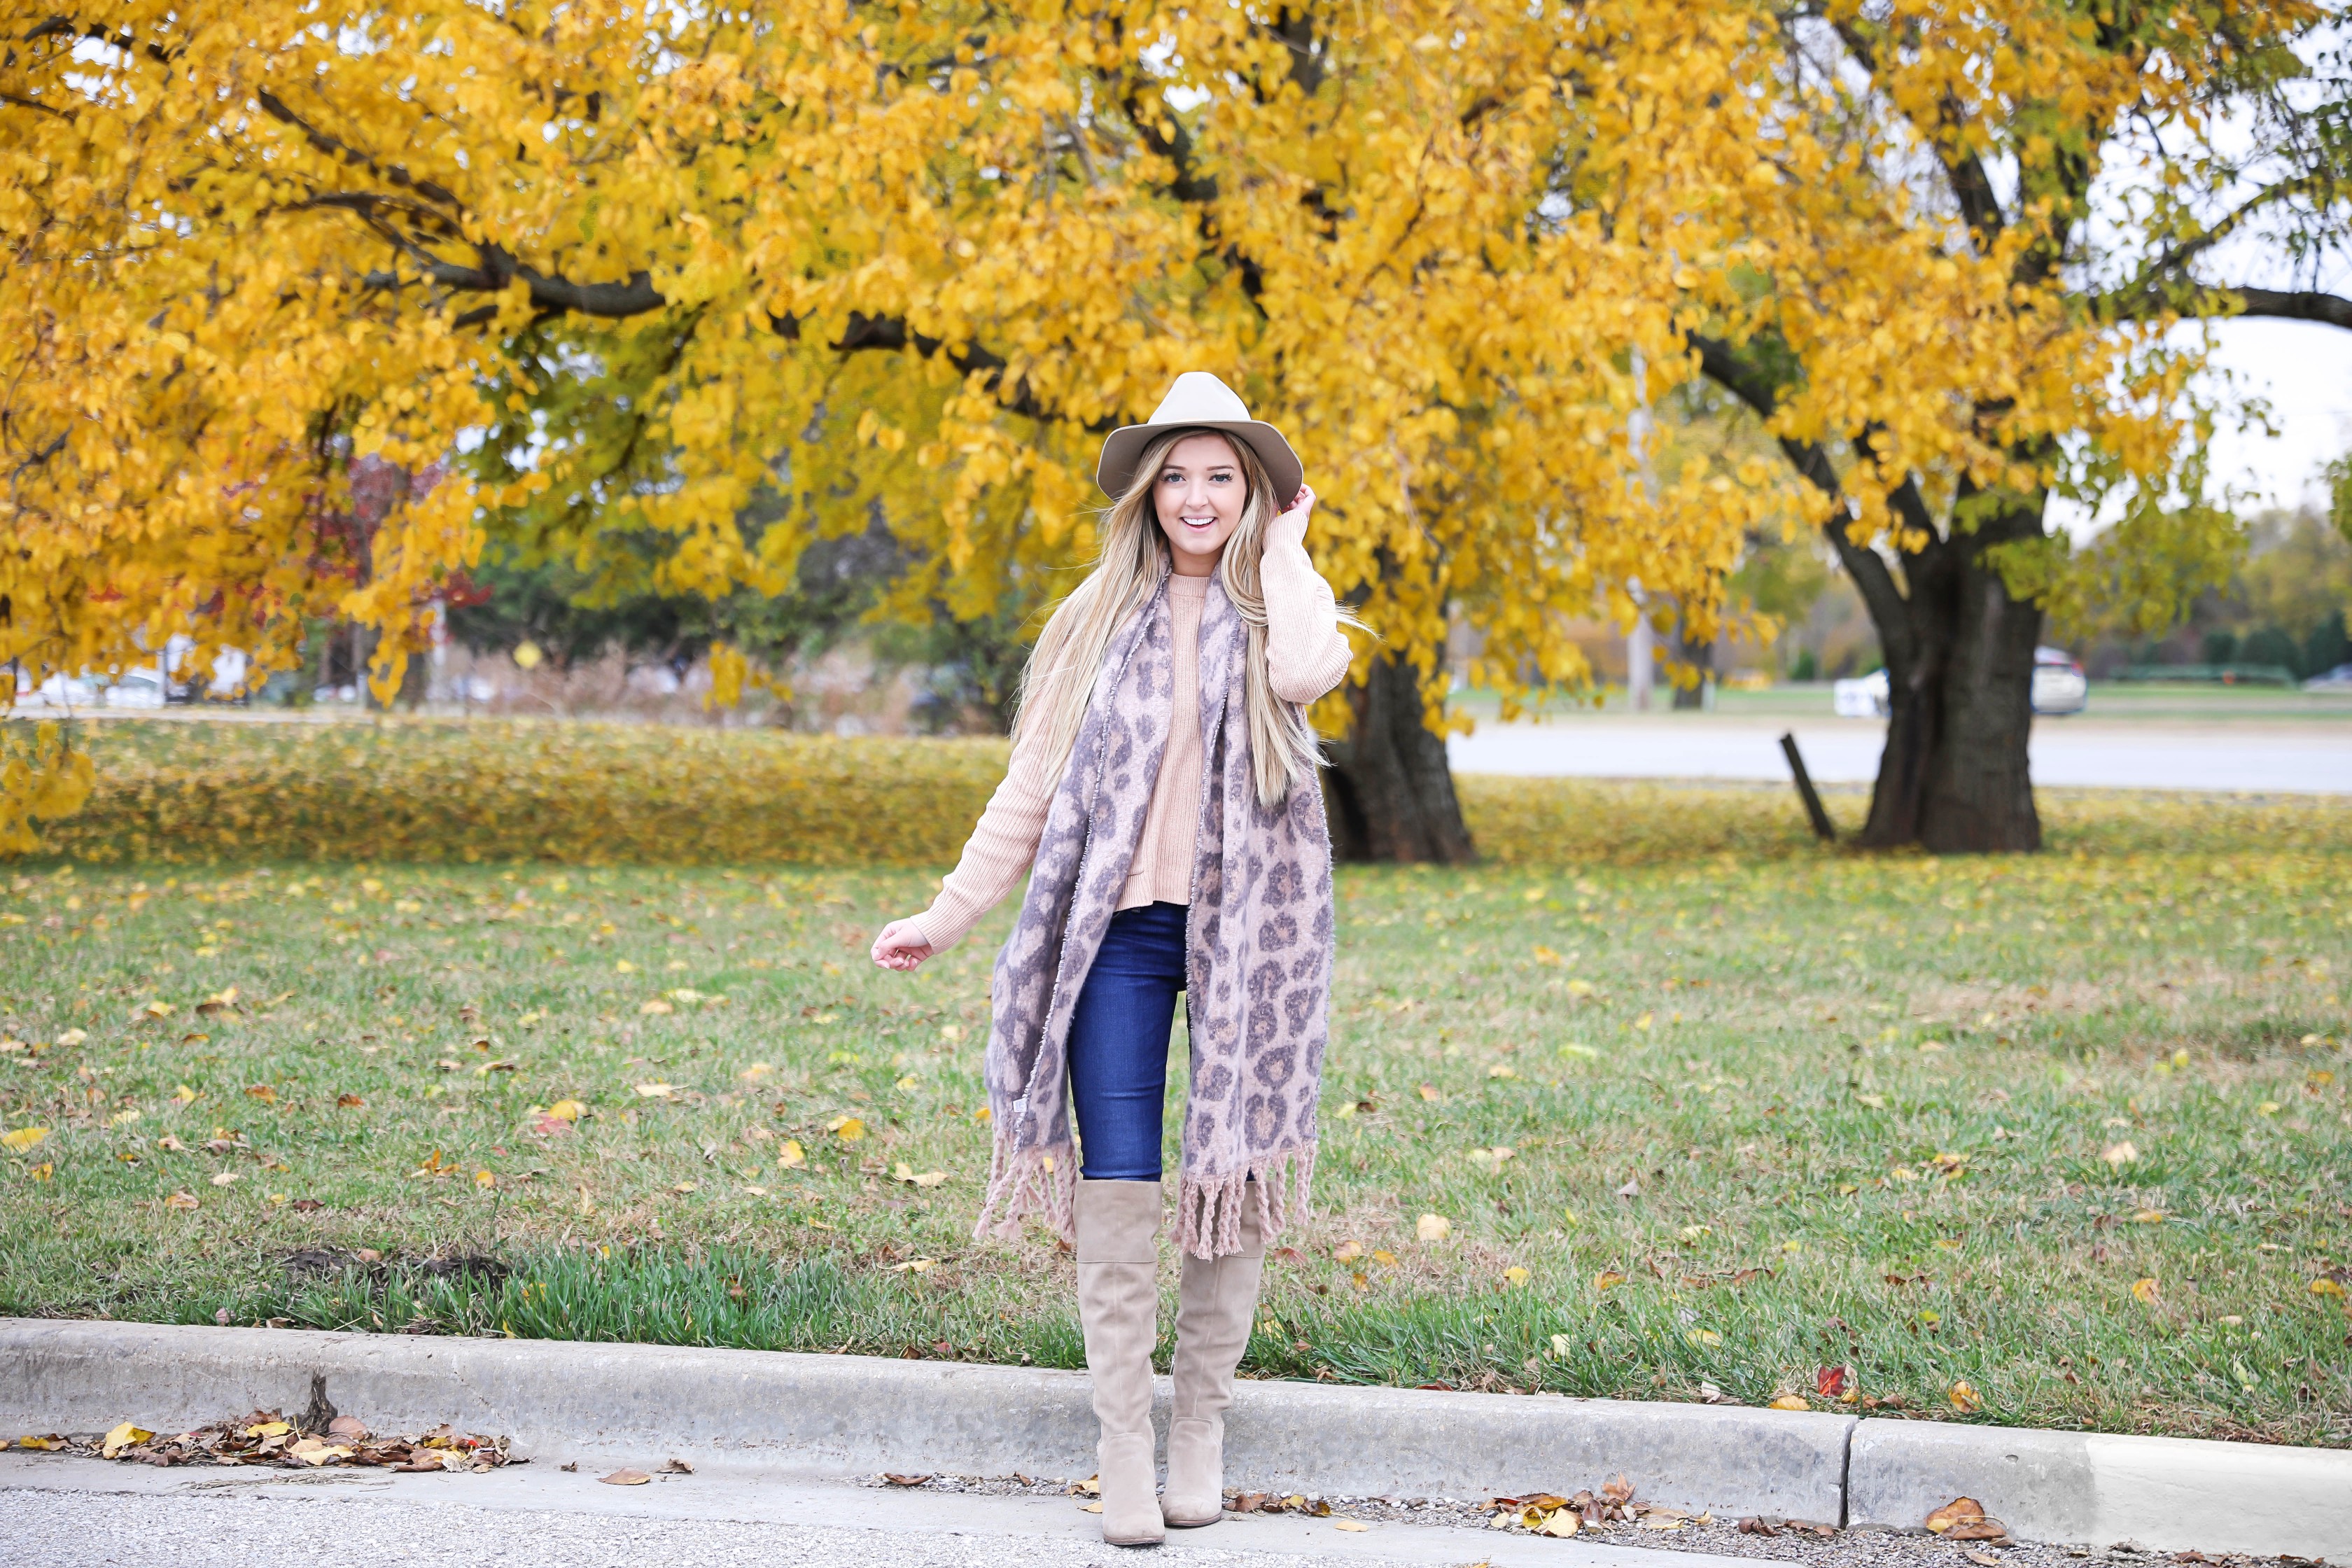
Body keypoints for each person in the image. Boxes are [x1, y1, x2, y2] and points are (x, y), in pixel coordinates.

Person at [870, 372, 1352, 1546]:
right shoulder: (1093, 616)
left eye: (1222, 477)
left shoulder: (1284, 601)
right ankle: (1124, 1443)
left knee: (1227, 1160)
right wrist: (944, 915)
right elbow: (1031, 790)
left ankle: (1203, 1429)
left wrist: (1286, 547)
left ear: (1255, 491)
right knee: (1123, 1174)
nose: (1196, 497)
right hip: (1118, 936)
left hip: (1251, 940)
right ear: (1147, 493)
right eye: (1177, 476)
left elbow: (1306, 676)